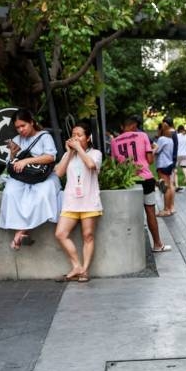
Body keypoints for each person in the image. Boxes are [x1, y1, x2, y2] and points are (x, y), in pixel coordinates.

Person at [0, 109, 62, 250]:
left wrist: (26, 161)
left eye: (23, 125)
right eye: (18, 127)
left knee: (42, 193)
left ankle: (20, 232)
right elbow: (10, 162)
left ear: (31, 122)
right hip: (23, 176)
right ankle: (22, 232)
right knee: (10, 192)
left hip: (42, 176)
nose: (21, 130)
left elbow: (51, 157)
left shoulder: (44, 136)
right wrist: (13, 154)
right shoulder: (17, 139)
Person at [110, 115, 170, 253]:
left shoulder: (114, 141)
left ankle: (130, 249)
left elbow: (114, 165)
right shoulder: (142, 136)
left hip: (127, 181)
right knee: (150, 211)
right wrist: (153, 151)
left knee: (129, 214)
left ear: (122, 126)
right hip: (145, 179)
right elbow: (150, 160)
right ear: (134, 126)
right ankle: (157, 244)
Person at [53, 121, 102, 282]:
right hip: (71, 201)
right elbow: (59, 173)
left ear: (88, 138)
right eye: (73, 135)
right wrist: (69, 153)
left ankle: (85, 271)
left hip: (89, 201)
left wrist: (79, 149)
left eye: (79, 135)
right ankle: (77, 266)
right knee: (61, 234)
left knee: (88, 235)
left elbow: (90, 165)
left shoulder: (95, 153)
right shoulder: (68, 155)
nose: (75, 138)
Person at [154, 119, 178, 216]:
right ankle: (171, 207)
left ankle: (166, 209)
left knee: (165, 187)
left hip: (163, 164)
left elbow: (156, 151)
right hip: (169, 164)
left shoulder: (162, 139)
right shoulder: (170, 139)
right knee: (170, 186)